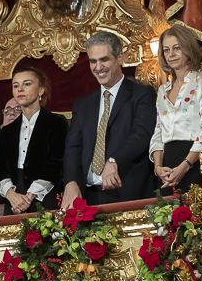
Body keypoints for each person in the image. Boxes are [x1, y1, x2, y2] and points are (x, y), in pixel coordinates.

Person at [62, 32, 157, 209]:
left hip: (127, 194)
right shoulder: (82, 105)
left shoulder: (142, 94)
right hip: (87, 200)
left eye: (104, 60)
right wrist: (71, 182)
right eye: (93, 61)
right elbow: (73, 148)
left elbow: (142, 134)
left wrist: (114, 160)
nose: (98, 67)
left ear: (120, 58)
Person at [149, 26, 202, 193]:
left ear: (189, 49)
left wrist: (185, 166)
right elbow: (158, 133)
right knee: (165, 218)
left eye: (176, 48)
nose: (171, 54)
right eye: (166, 50)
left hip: (195, 163)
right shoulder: (162, 90)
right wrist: (158, 168)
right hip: (167, 170)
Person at [0, 67, 68, 213]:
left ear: (41, 90)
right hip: (14, 202)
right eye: (16, 85)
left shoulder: (56, 122)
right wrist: (11, 194)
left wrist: (29, 196)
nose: (20, 89)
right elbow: (0, 169)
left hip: (44, 197)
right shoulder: (7, 130)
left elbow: (56, 163)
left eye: (27, 84)